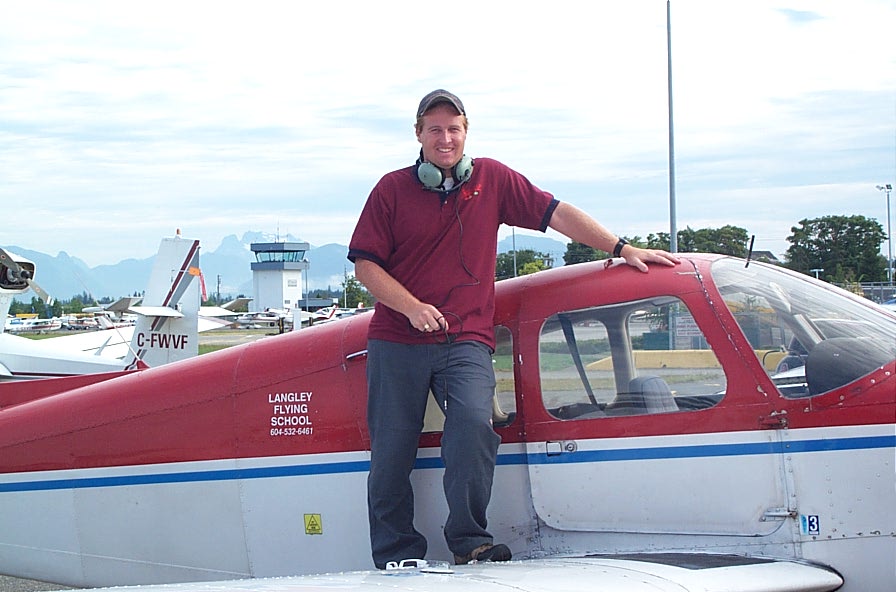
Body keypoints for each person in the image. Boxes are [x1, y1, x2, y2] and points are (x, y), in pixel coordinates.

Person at [348, 89, 680, 569]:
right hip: (398, 339)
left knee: (473, 428)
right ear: (418, 134)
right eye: (435, 129)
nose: (445, 138)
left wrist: (620, 246)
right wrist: (411, 307)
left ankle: (469, 540)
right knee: (391, 451)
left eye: (454, 128)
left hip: (465, 339)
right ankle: (396, 554)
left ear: (466, 132)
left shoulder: (493, 180)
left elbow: (557, 213)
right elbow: (366, 265)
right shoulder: (390, 190)